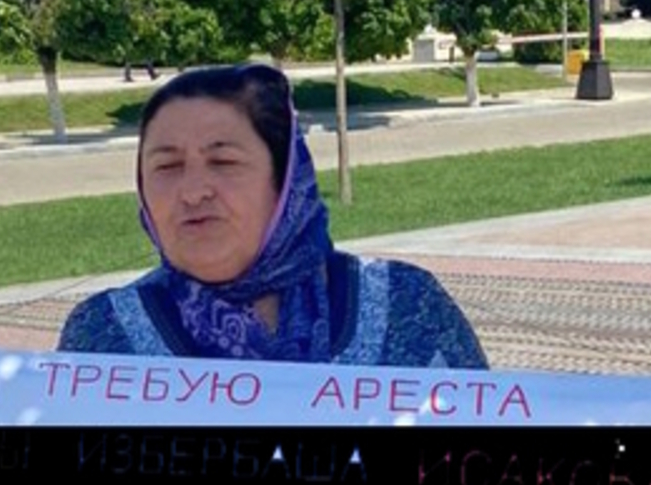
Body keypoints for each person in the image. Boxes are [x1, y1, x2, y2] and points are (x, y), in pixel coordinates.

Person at [57, 64, 489, 370]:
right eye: (167, 166)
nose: (193, 191)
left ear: (286, 183)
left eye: (223, 162)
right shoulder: (102, 336)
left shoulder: (407, 305)